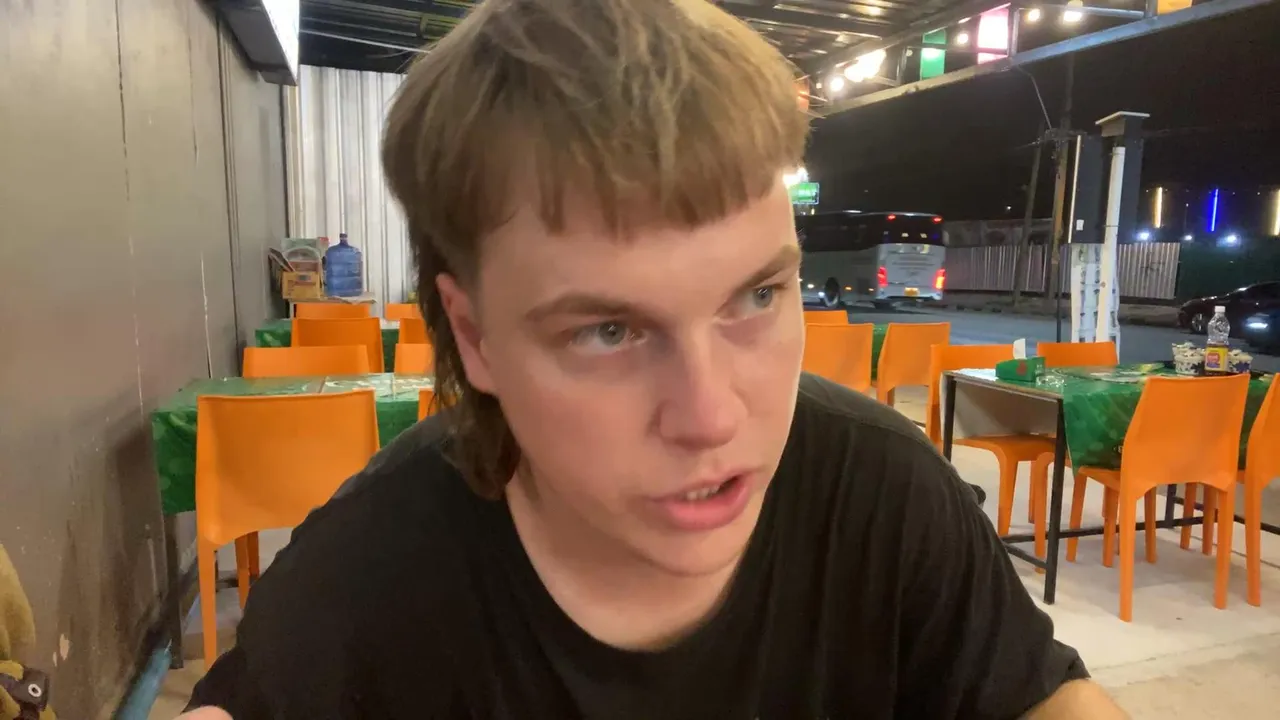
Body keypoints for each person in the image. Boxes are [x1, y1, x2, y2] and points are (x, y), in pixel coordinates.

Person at [180, 0, 1127, 717]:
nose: (712, 417)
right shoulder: (375, 568)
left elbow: (1043, 695)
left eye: (757, 297)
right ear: (473, 338)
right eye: (608, 331)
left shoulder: (882, 494)